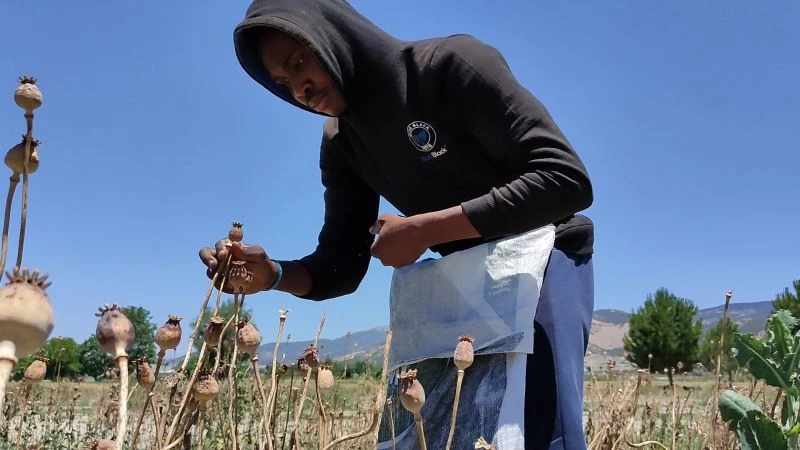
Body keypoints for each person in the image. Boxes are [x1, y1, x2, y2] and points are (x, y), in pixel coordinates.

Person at [199, 0, 595, 448]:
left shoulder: (449, 66)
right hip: (463, 290)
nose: (300, 89)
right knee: (454, 437)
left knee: (543, 431)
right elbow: (340, 265)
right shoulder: (343, 142)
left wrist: (424, 231)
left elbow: (565, 180)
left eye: (300, 62)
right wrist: (272, 275)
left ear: (334, 34)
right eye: (284, 83)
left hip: (545, 261)